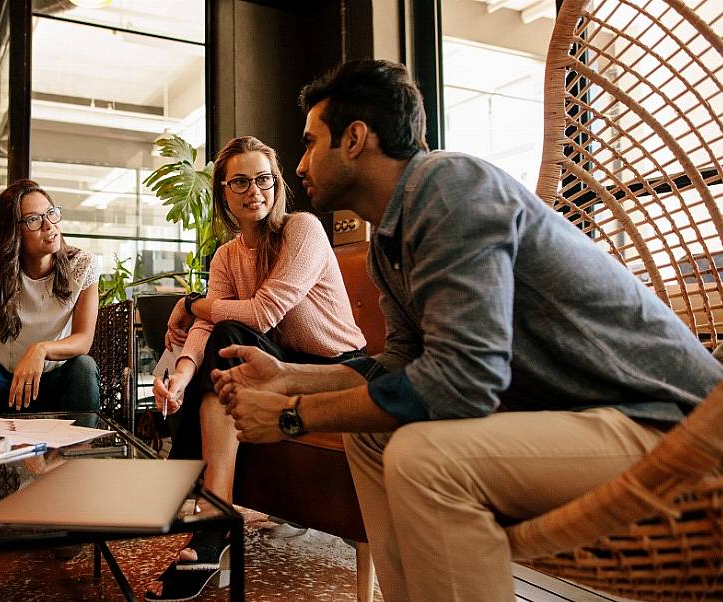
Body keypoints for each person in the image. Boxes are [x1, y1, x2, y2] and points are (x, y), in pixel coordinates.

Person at [212, 59, 723, 602]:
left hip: (677, 427)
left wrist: (292, 416)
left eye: (312, 143)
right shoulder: (392, 240)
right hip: (583, 421)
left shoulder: (450, 186)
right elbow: (398, 366)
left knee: (426, 458)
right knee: (372, 434)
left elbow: (463, 382)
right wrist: (289, 376)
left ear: (355, 138)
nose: (301, 164)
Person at [145, 136, 366, 601]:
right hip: (277, 367)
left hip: (336, 368)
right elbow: (211, 323)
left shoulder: (302, 229)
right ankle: (213, 523)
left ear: (278, 183)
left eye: (264, 178)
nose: (255, 190)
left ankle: (209, 525)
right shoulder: (226, 255)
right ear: (223, 192)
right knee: (223, 342)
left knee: (230, 336)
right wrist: (182, 375)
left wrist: (189, 302)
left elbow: (263, 313)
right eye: (240, 181)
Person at [0, 179, 100, 419]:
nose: (49, 225)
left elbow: (83, 340)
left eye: (51, 213)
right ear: (13, 232)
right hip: (6, 387)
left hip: (57, 383)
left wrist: (41, 350)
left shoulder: (82, 265)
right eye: (33, 220)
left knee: (84, 367)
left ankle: (78, 453)